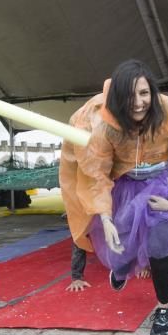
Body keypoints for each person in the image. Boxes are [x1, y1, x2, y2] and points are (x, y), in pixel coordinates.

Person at [77, 60, 168, 335]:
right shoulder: (106, 125)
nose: (139, 103)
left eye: (144, 93)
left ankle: (164, 309)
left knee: (157, 248)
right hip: (126, 186)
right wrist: (104, 217)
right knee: (123, 242)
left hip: (165, 186)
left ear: (152, 92)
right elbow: (97, 173)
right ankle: (122, 267)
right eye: (130, 96)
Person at [58, 92, 105, 293]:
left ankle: (138, 262)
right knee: (81, 227)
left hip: (104, 181)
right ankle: (77, 275)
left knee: (126, 221)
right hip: (82, 184)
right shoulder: (81, 121)